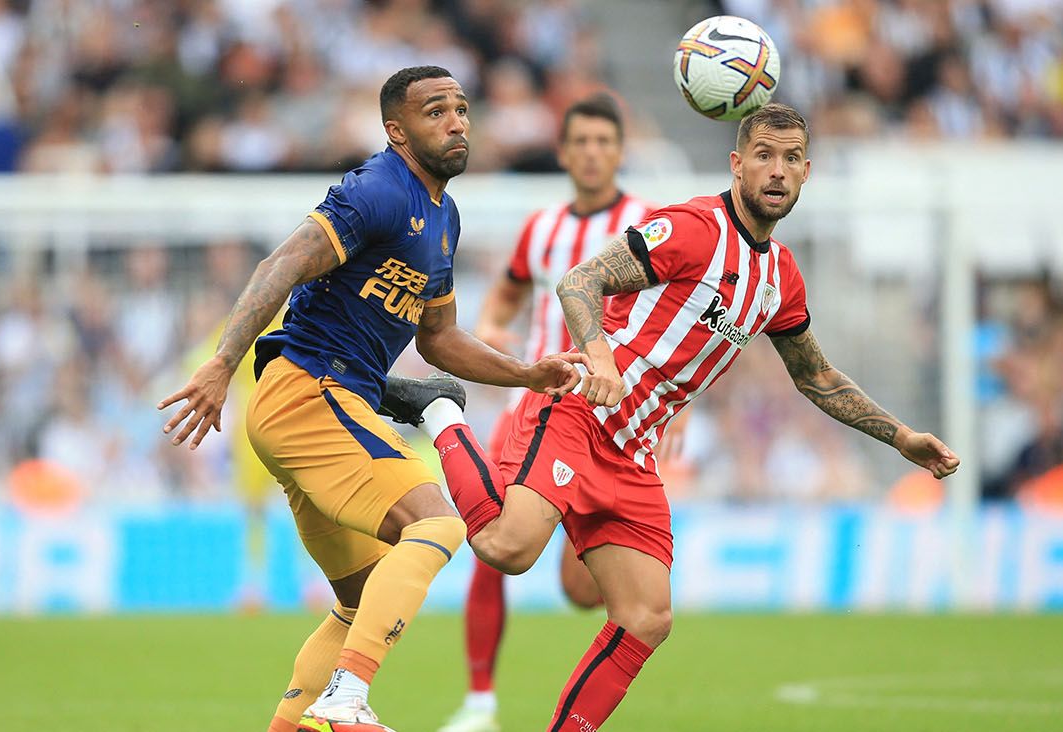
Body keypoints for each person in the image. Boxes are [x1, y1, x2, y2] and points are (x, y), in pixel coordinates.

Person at [382, 103, 961, 731]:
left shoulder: (780, 277)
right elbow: (580, 281)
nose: (777, 171)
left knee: (647, 616)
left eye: (792, 158)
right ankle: (440, 409)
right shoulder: (690, 228)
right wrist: (598, 355)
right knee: (506, 548)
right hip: (578, 411)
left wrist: (901, 436)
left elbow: (816, 377)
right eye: (764, 156)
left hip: (634, 451)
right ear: (737, 165)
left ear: (807, 171)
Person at [157, 65, 583, 732]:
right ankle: (347, 696)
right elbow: (282, 264)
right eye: (436, 111)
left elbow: (439, 338)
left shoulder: (443, 217)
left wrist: (526, 374)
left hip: (314, 403)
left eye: (462, 108)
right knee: (438, 524)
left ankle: (296, 722)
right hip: (311, 391)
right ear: (397, 130)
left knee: (359, 601)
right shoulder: (378, 191)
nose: (456, 122)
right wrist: (220, 363)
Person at [439, 93, 654, 732]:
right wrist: (494, 334)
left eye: (603, 142)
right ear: (563, 152)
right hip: (535, 404)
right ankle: (480, 702)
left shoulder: (649, 223)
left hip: (617, 417)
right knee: (496, 543)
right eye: (580, 142)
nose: (591, 153)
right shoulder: (542, 229)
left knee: (584, 592)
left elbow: (675, 326)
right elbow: (500, 302)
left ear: (619, 152)